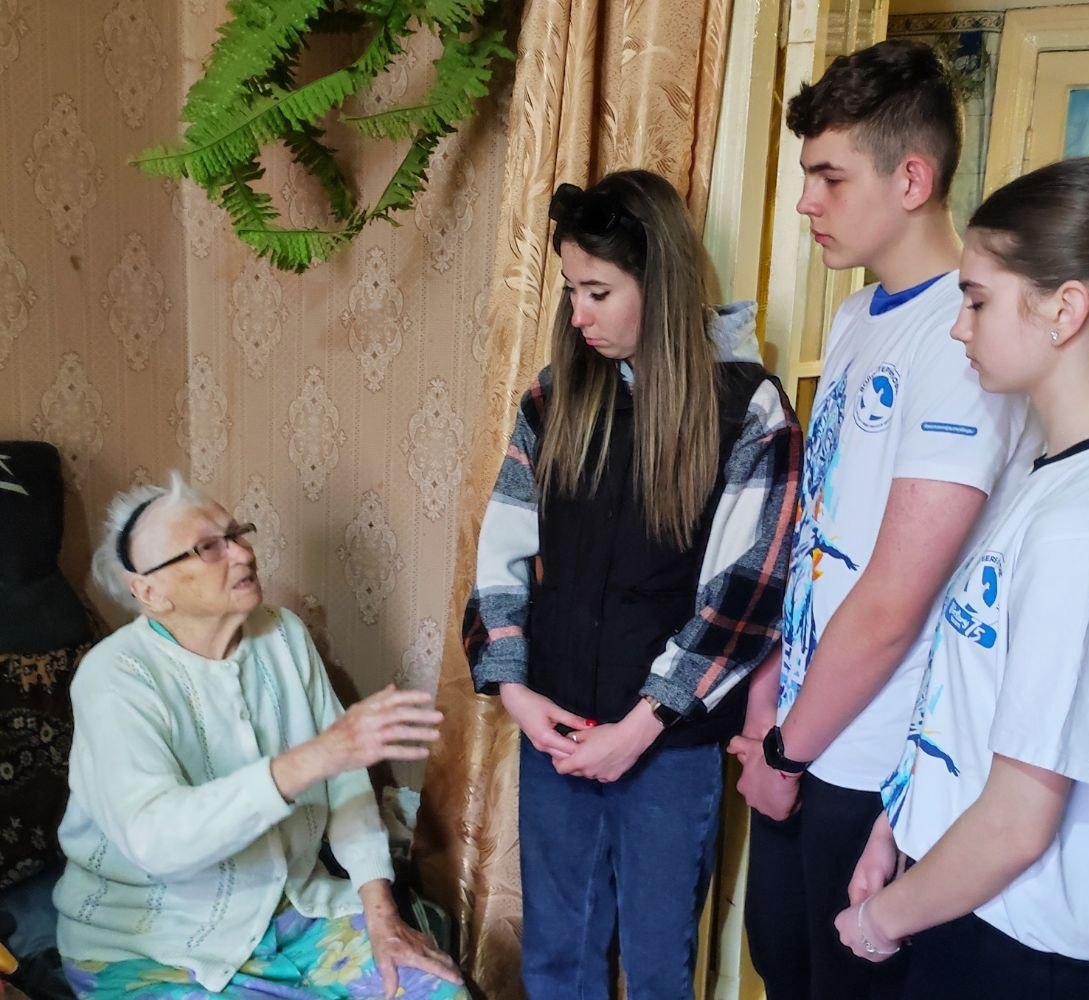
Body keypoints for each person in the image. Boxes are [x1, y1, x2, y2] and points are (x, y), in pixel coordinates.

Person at [838, 156, 1089, 998]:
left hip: (1025, 950)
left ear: (1066, 311)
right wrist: (901, 826)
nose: (958, 327)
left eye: (977, 300)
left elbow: (1019, 822)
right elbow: (978, 713)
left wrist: (882, 920)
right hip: (981, 914)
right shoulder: (1055, 477)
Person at [728, 39, 1039, 999]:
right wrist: (769, 703)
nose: (805, 202)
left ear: (912, 178)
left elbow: (896, 599)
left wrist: (787, 751)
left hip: (878, 762)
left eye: (829, 177)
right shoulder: (857, 316)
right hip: (805, 728)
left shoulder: (965, 335)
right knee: (779, 959)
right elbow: (822, 537)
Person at [463, 169, 802, 999]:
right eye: (570, 292)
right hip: (555, 728)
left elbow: (744, 598)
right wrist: (516, 693)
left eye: (599, 293)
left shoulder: (747, 410)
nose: (578, 316)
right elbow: (502, 550)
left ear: (661, 283)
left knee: (656, 969)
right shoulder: (552, 399)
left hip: (669, 748)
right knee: (556, 959)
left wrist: (640, 728)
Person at [54, 474, 467, 1000]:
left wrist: (382, 916)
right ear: (149, 591)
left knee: (438, 989)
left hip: (296, 913)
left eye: (236, 533)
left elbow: (345, 783)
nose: (242, 553)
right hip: (155, 948)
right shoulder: (114, 677)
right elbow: (156, 839)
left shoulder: (283, 633)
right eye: (208, 548)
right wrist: (316, 757)